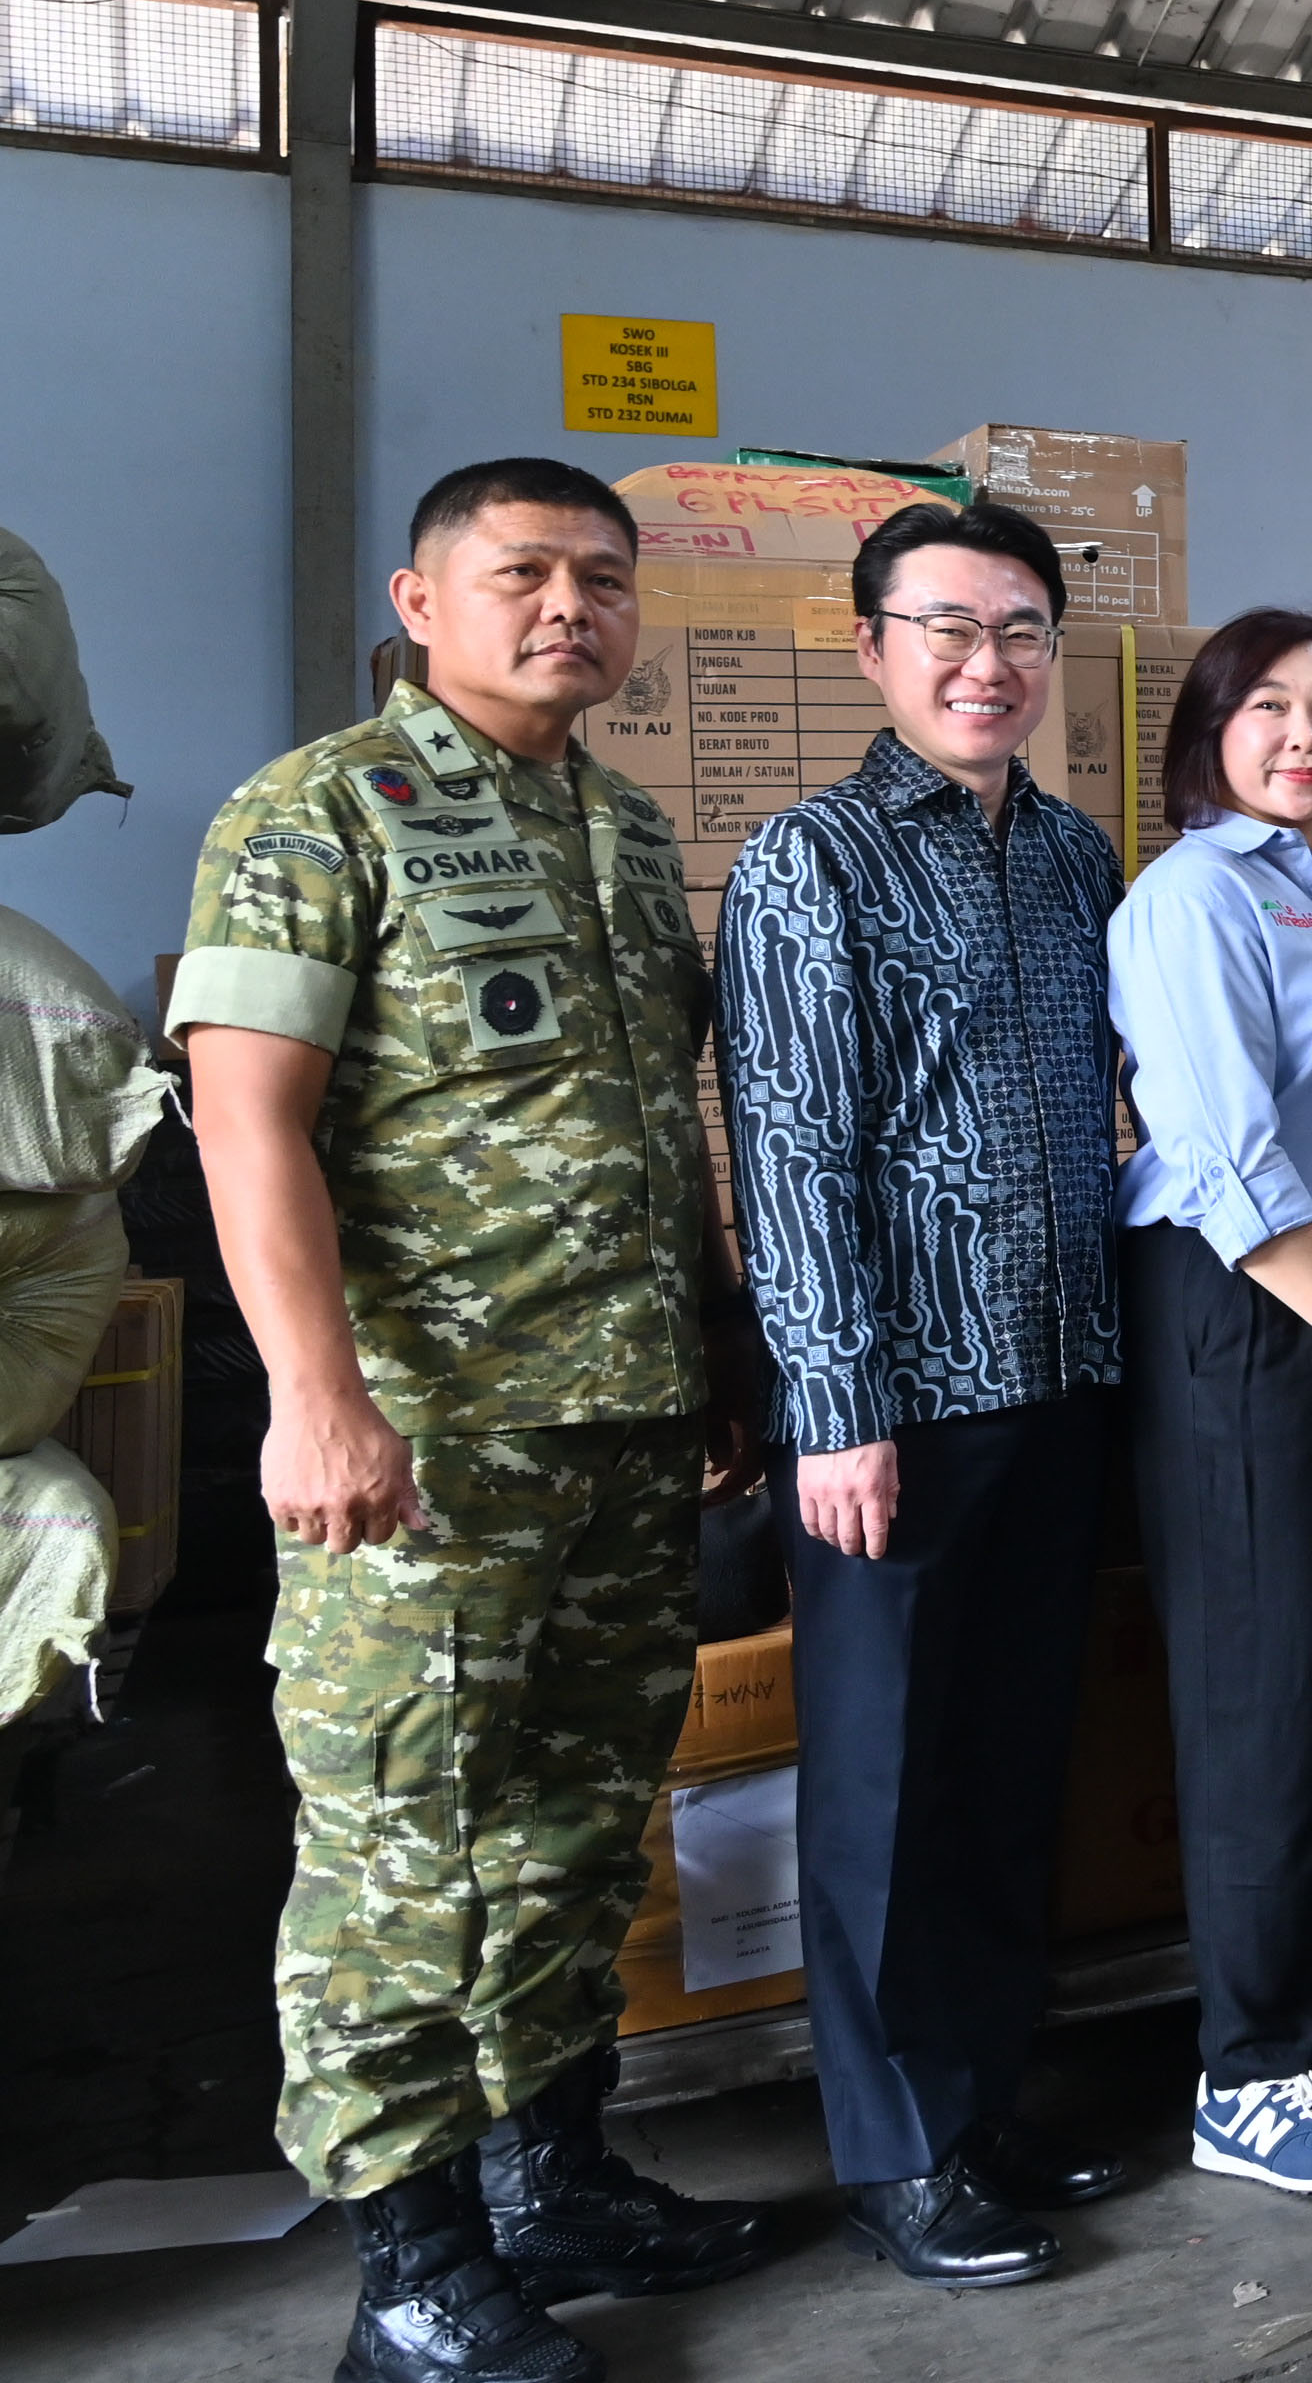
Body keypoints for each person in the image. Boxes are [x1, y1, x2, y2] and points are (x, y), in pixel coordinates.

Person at [174, 458, 772, 2383]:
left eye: (601, 580)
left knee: (578, 1832)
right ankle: (411, 2266)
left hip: (617, 1424)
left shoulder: (616, 825)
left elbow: (642, 1129)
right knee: (400, 1846)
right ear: (421, 599)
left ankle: (549, 2185)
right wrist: (316, 1398)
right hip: (425, 1449)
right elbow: (242, 1114)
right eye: (521, 573)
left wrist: (715, 1346)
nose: (567, 609)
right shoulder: (318, 810)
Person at [714, 499, 1129, 2285]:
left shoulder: (1075, 856)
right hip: (897, 1400)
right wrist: (834, 1405)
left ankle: (979, 2091)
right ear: (871, 643)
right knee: (882, 1780)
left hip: (1061, 1374)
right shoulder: (808, 862)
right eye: (948, 627)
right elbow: (791, 1152)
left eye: (1022, 627)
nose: (989, 662)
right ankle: (894, 2145)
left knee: (1004, 1759)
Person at [1107, 612, 1312, 2194]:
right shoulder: (1190, 899)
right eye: (1267, 707)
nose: (1303, 734)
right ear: (1210, 729)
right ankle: (1243, 2072)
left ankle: (1300, 2015)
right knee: (1257, 1690)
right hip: (1255, 1303)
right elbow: (1224, 1144)